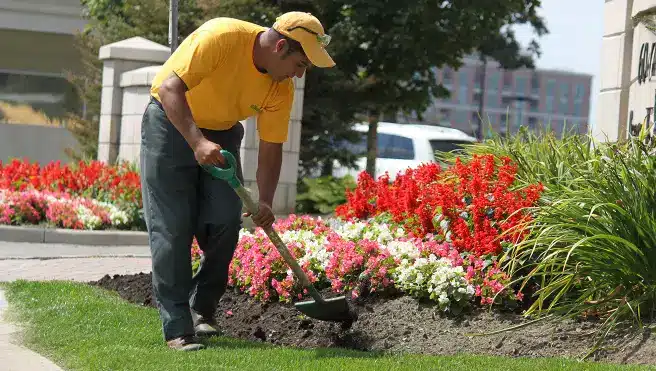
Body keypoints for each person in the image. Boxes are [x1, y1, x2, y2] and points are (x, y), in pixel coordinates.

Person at [139, 11, 335, 351]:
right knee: (172, 228)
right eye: (300, 63)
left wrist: (266, 202)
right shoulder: (221, 36)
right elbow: (171, 88)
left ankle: (201, 307)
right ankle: (177, 328)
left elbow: (271, 148)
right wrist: (197, 141)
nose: (300, 75)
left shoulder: (280, 86)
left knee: (226, 218)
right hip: (171, 123)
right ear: (281, 47)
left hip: (224, 131)